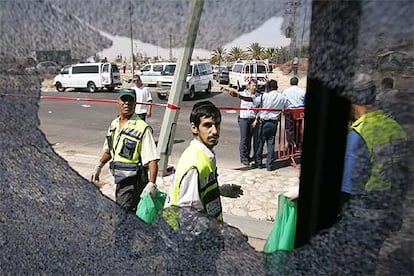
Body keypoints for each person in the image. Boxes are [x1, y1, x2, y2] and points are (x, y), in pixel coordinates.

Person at [164, 101, 242, 222]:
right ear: (194, 127)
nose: (215, 131)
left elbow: (199, 192)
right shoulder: (195, 164)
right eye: (207, 125)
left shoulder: (205, 156)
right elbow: (188, 216)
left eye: (217, 125)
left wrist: (218, 190)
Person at [91, 88, 159, 213]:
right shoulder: (114, 124)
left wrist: (151, 184)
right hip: (120, 180)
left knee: (122, 216)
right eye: (124, 100)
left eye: (130, 100)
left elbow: (152, 159)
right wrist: (99, 166)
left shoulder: (142, 128)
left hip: (133, 182)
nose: (127, 103)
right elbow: (109, 150)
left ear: (135, 103)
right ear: (118, 102)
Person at [222, 79, 259, 166]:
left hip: (252, 119)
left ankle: (247, 155)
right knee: (244, 138)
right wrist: (226, 90)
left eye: (256, 86)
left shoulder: (257, 95)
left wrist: (256, 119)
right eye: (253, 85)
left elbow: (259, 108)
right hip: (244, 119)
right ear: (249, 86)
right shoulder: (243, 93)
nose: (255, 87)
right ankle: (243, 158)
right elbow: (235, 94)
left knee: (249, 139)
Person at [282, 77, 306, 150]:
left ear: (290, 83)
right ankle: (298, 145)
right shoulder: (302, 91)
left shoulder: (285, 91)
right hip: (299, 111)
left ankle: (291, 146)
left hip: (290, 111)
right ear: (297, 83)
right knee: (298, 128)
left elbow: (283, 101)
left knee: (289, 129)